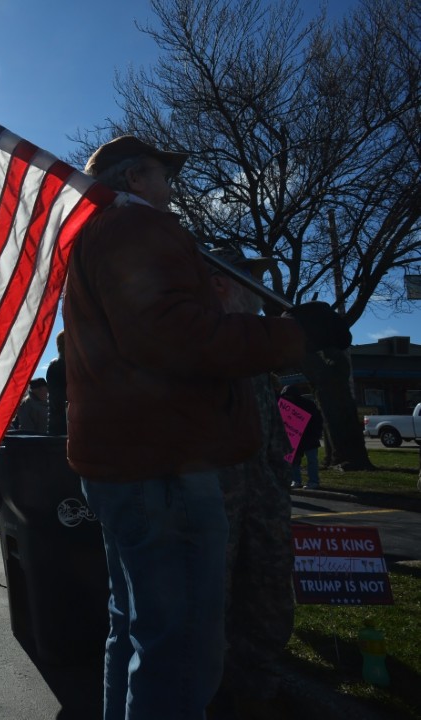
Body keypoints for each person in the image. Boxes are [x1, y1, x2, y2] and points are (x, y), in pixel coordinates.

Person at [63, 134, 350, 719]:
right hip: (166, 468)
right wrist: (294, 335)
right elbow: (174, 337)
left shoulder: (98, 239)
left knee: (139, 634)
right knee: (183, 653)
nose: (172, 189)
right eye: (165, 177)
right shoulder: (137, 228)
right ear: (137, 179)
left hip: (130, 466)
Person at [206, 247, 297, 716]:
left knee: (269, 583)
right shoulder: (203, 340)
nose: (261, 294)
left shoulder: (256, 347)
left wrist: (280, 482)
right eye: (251, 280)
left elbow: (274, 431)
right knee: (212, 591)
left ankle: (260, 680)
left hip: (263, 493)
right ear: (222, 284)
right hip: (216, 495)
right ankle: (214, 685)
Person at [281, 385, 324, 489]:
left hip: (309, 437)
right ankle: (297, 480)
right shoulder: (286, 406)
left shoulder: (308, 405)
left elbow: (317, 421)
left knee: (311, 460)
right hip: (295, 438)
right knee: (294, 460)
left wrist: (316, 434)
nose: (288, 398)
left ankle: (312, 481)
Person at [46, 331, 67, 436]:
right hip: (63, 426)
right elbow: (60, 399)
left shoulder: (59, 365)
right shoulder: (58, 366)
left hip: (61, 424)